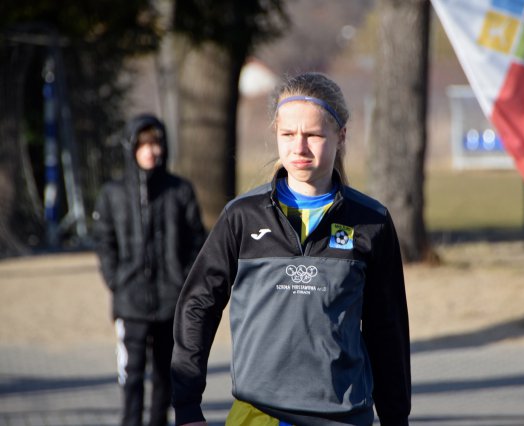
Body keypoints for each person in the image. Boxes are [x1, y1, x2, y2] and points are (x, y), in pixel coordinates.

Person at [170, 72, 411, 426]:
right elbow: (198, 305)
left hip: (343, 418)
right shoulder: (242, 216)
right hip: (258, 416)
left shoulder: (371, 221)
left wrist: (395, 417)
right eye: (287, 134)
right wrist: (187, 404)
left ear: (340, 136)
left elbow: (386, 327)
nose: (298, 148)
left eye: (313, 135)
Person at [93, 114, 207, 426]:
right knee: (131, 376)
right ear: (131, 148)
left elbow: (198, 239)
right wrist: (116, 279)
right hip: (130, 303)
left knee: (164, 376)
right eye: (142, 144)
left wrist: (183, 280)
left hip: (171, 302)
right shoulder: (112, 193)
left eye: (155, 143)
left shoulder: (180, 190)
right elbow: (104, 242)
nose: (150, 151)